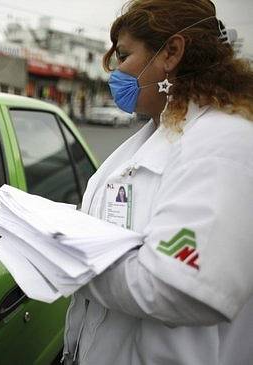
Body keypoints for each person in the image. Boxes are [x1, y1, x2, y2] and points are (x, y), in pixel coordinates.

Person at [62, 1, 253, 364]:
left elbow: (175, 286)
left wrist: (63, 257)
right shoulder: (158, 131)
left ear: (172, 52)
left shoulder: (224, 143)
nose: (115, 71)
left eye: (123, 55)